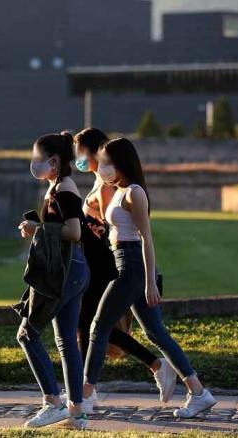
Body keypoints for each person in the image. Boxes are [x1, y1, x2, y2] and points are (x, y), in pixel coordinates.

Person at [82, 138, 216, 419]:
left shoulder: (134, 193)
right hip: (123, 261)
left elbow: (146, 238)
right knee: (156, 333)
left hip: (132, 267)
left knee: (98, 327)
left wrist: (150, 281)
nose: (102, 168)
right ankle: (199, 392)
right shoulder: (117, 191)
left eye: (107, 163)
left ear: (122, 163)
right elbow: (120, 229)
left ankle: (82, 397)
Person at [72, 128, 177, 408]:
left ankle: (87, 391)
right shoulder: (99, 183)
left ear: (94, 153)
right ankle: (152, 366)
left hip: (108, 262)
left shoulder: (109, 186)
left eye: (80, 153)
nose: (77, 160)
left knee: (92, 324)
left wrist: (87, 227)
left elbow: (112, 227)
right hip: (98, 260)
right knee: (92, 324)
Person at [16, 132, 90, 429]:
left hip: (64, 273)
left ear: (54, 161)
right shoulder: (57, 188)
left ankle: (53, 402)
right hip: (72, 271)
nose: (34, 163)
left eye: (38, 158)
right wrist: (40, 227)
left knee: (27, 334)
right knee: (66, 343)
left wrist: (39, 230)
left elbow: (74, 231)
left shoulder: (64, 191)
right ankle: (77, 412)